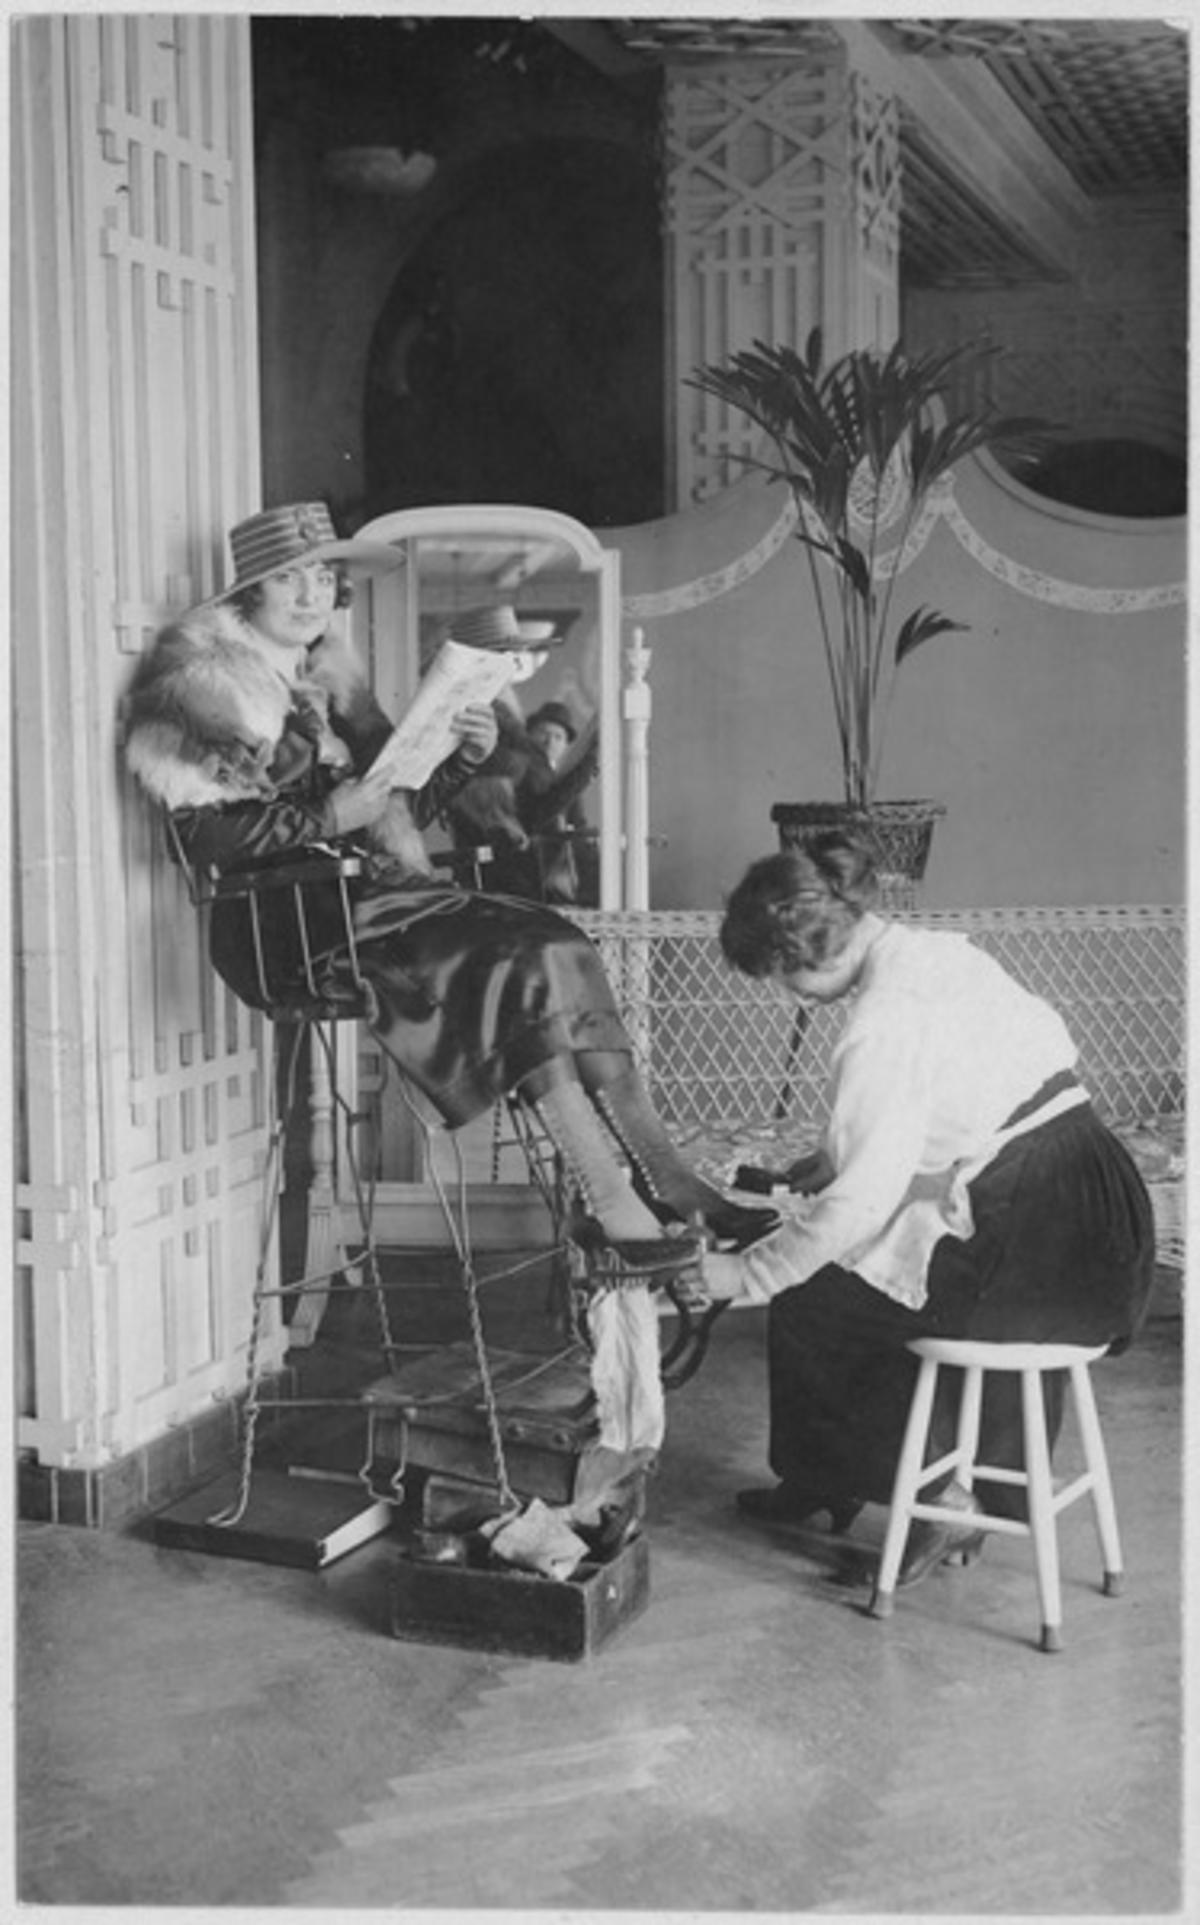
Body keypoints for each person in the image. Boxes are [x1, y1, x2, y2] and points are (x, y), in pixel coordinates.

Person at [122, 502, 773, 1273]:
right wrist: (331, 809)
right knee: (511, 958)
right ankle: (614, 1202)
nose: (310, 595)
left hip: (374, 896)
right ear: (246, 597)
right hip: (290, 922)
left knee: (557, 939)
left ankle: (665, 1178)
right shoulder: (202, 682)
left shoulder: (333, 682)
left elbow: (392, 817)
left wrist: (463, 760)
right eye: (288, 579)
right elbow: (204, 841)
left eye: (324, 578)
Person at [702, 833, 1155, 1587]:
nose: (785, 993)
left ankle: (934, 1494)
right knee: (864, 1273)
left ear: (796, 960)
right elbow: (975, 1099)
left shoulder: (880, 1020)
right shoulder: (940, 954)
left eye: (778, 976)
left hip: (1039, 1241)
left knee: (815, 1291)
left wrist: (741, 1275)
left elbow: (856, 1204)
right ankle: (852, 1484)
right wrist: (838, 1158)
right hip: (1103, 1213)